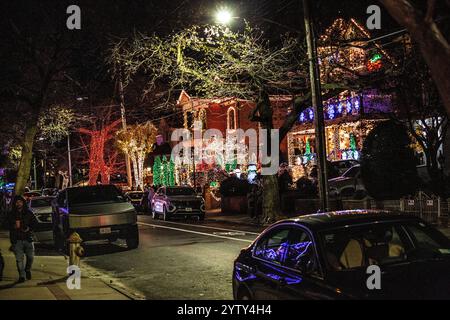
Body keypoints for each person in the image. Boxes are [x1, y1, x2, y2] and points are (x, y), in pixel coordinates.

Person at [8, 195, 38, 283]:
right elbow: (5, 224)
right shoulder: (11, 214)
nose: (18, 204)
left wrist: (29, 228)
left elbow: (35, 223)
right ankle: (22, 275)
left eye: (20, 202)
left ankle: (27, 270)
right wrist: (14, 225)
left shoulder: (28, 213)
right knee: (19, 260)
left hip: (28, 238)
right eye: (17, 202)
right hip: (17, 240)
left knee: (30, 257)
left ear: (23, 203)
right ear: (14, 204)